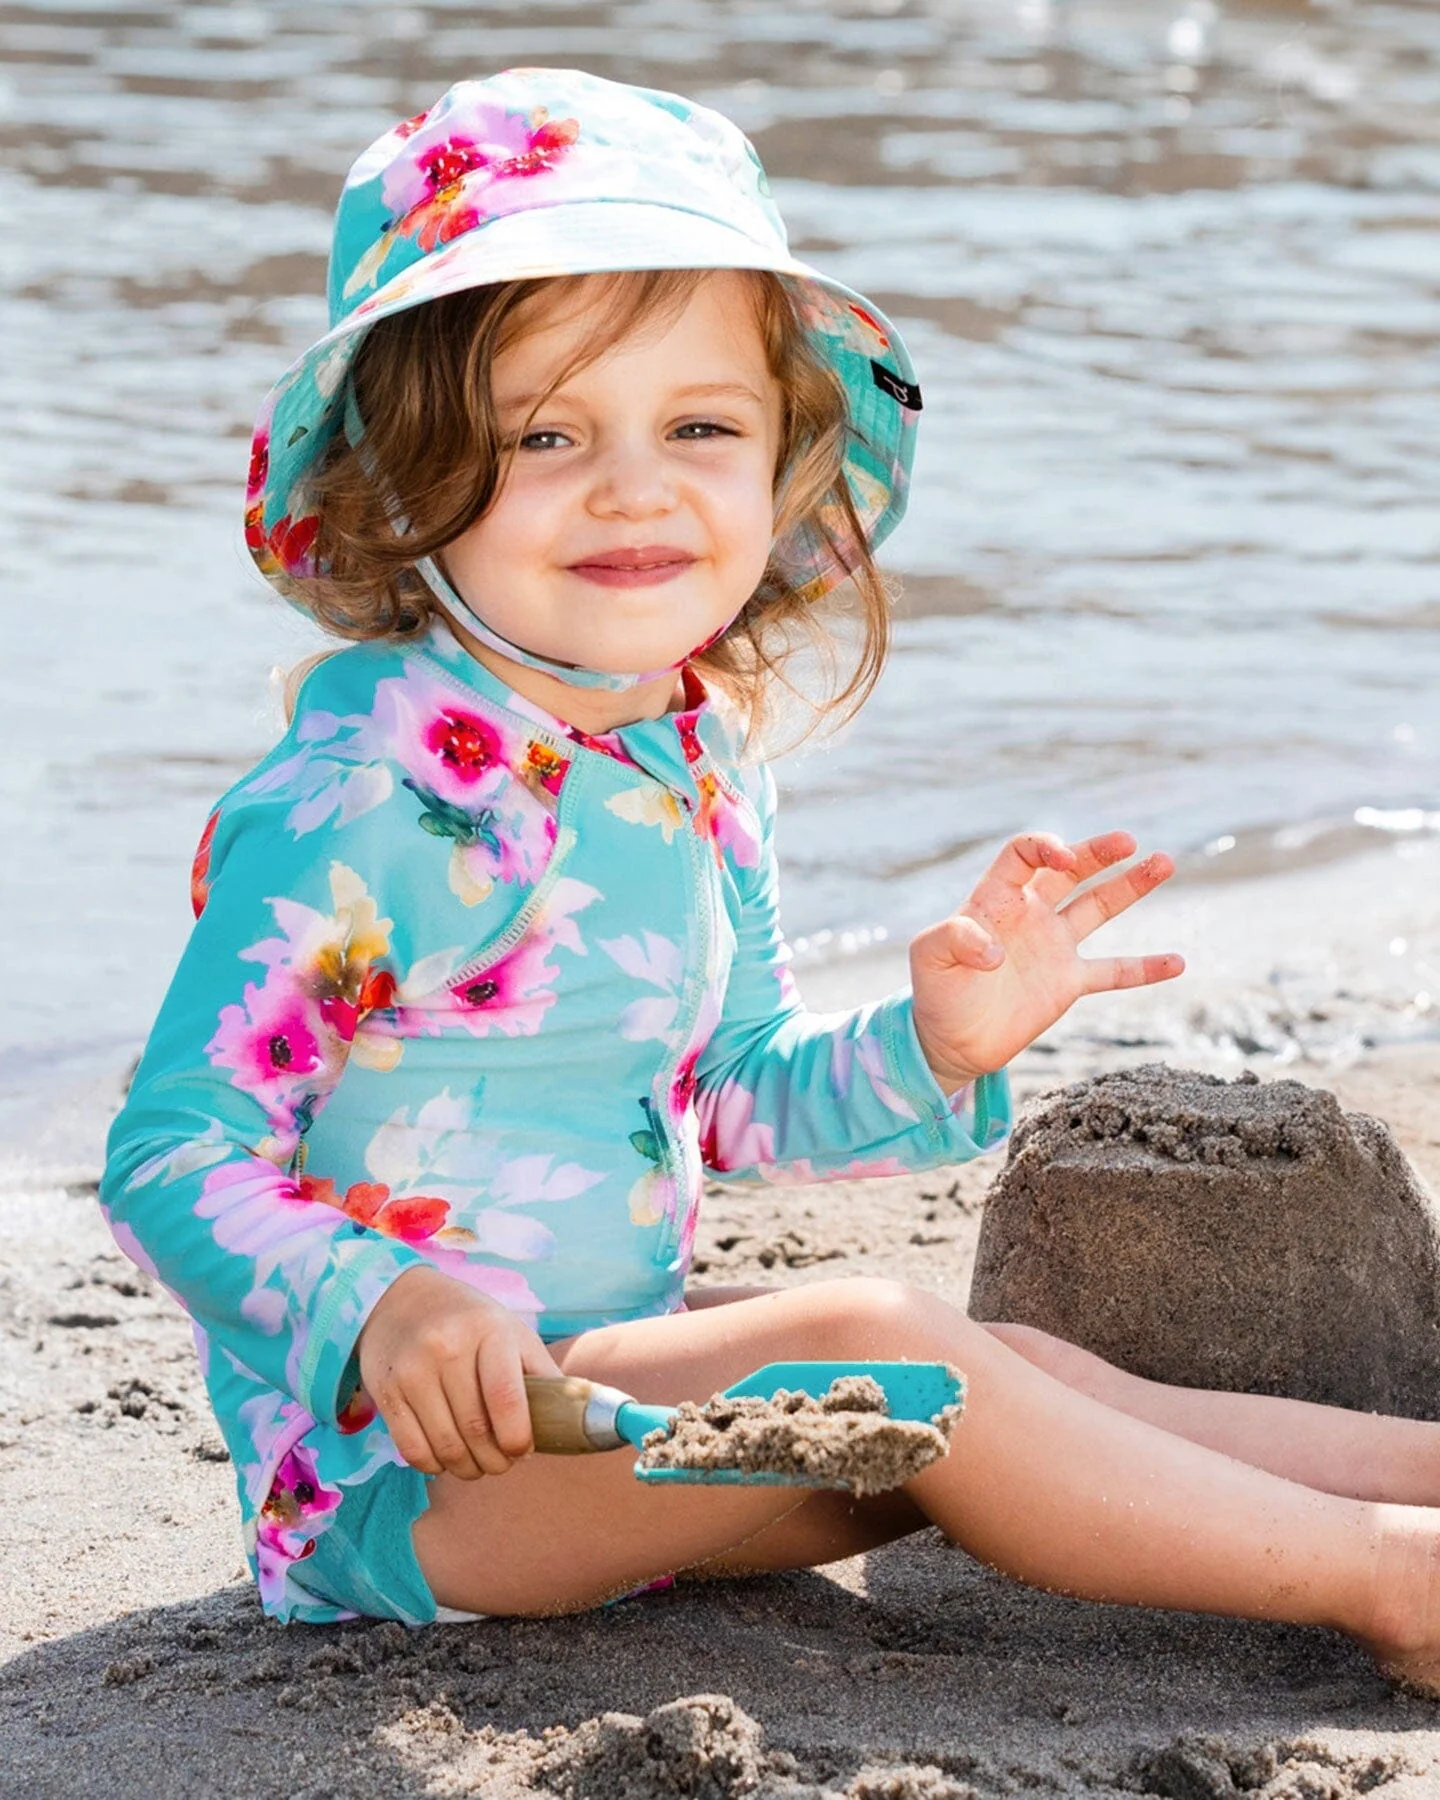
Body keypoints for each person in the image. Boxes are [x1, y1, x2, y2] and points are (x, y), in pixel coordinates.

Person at [101, 68, 1440, 1691]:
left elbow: (733, 1092)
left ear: (787, 460)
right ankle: (1391, 1581)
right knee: (874, 1348)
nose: (635, 484)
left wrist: (936, 1045)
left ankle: (1413, 1488)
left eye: (700, 427)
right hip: (415, 1487)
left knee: (984, 1366)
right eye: (545, 433)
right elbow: (176, 1152)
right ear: (401, 480)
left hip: (600, 1413)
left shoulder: (689, 757)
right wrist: (381, 1308)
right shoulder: (366, 801)